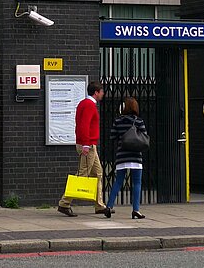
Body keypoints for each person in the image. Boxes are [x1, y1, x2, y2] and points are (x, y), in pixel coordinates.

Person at [57, 81, 111, 217]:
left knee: (98, 173)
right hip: (88, 146)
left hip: (90, 145)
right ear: (96, 92)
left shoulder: (83, 103)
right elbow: (84, 125)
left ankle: (99, 205)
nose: (103, 94)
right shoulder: (89, 105)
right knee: (82, 174)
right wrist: (86, 144)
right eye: (102, 92)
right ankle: (64, 203)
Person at [104, 97, 147, 219]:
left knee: (118, 181)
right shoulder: (138, 121)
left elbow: (112, 137)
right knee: (137, 183)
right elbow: (144, 137)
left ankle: (109, 206)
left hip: (122, 155)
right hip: (136, 155)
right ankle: (136, 210)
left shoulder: (118, 121)